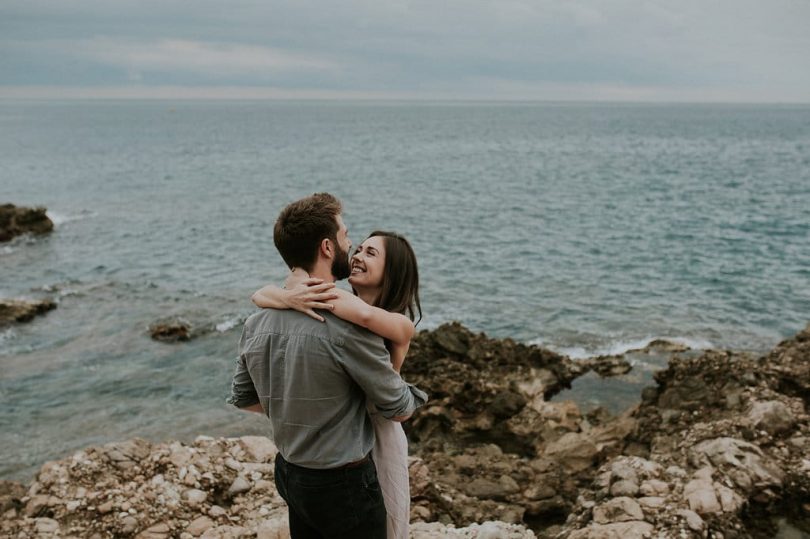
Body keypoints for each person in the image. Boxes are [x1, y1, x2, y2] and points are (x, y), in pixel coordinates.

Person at [227, 193, 427, 539]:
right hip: (342, 484)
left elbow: (245, 398)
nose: (351, 246)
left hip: (290, 473)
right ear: (327, 247)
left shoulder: (257, 322)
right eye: (347, 236)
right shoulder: (349, 331)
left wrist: (297, 411)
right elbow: (398, 408)